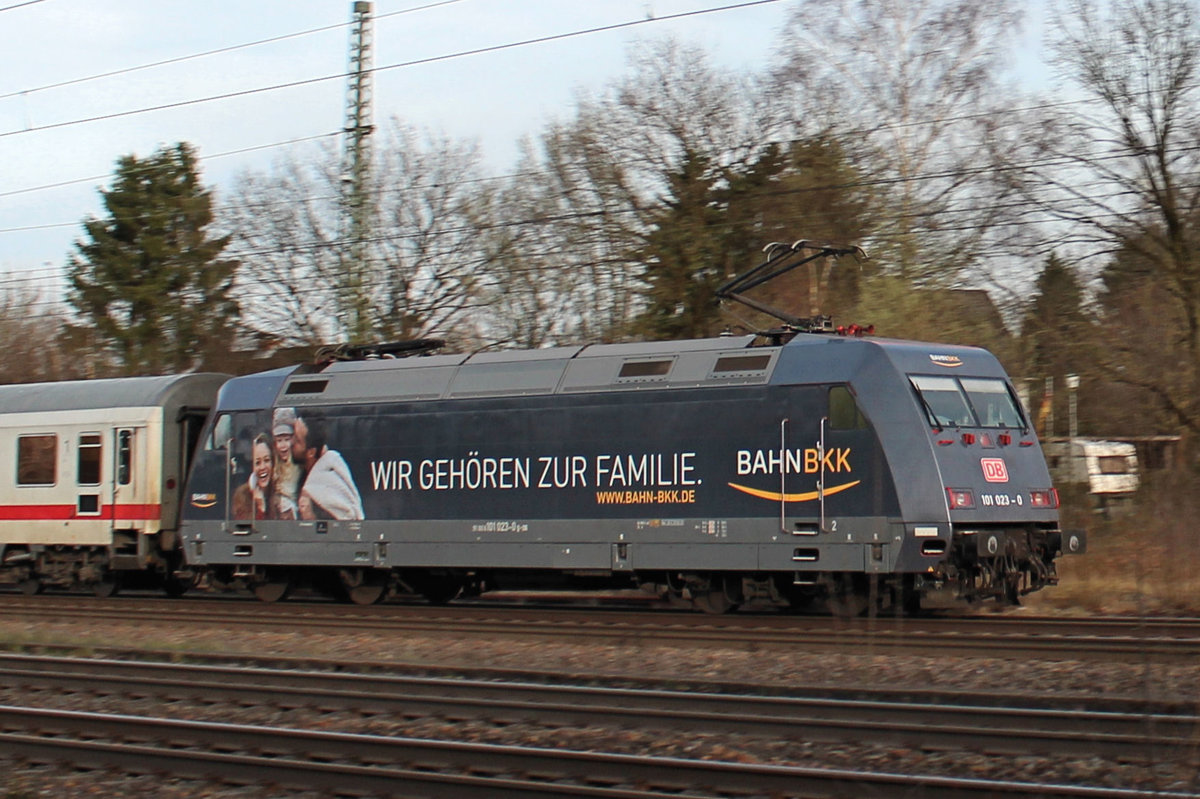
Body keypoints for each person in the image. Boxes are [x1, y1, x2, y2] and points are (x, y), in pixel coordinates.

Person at [292, 410, 365, 521]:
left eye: (297, 440)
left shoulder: (321, 491)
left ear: (311, 452)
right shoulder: (305, 472)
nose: (290, 443)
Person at [247, 432, 297, 520]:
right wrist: (260, 508)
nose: (262, 467)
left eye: (266, 460)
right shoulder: (243, 497)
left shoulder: (283, 501)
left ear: (274, 463)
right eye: (257, 463)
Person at [271, 407, 304, 508]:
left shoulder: (301, 466)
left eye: (286, 439)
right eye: (279, 440)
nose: (283, 446)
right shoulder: (272, 466)